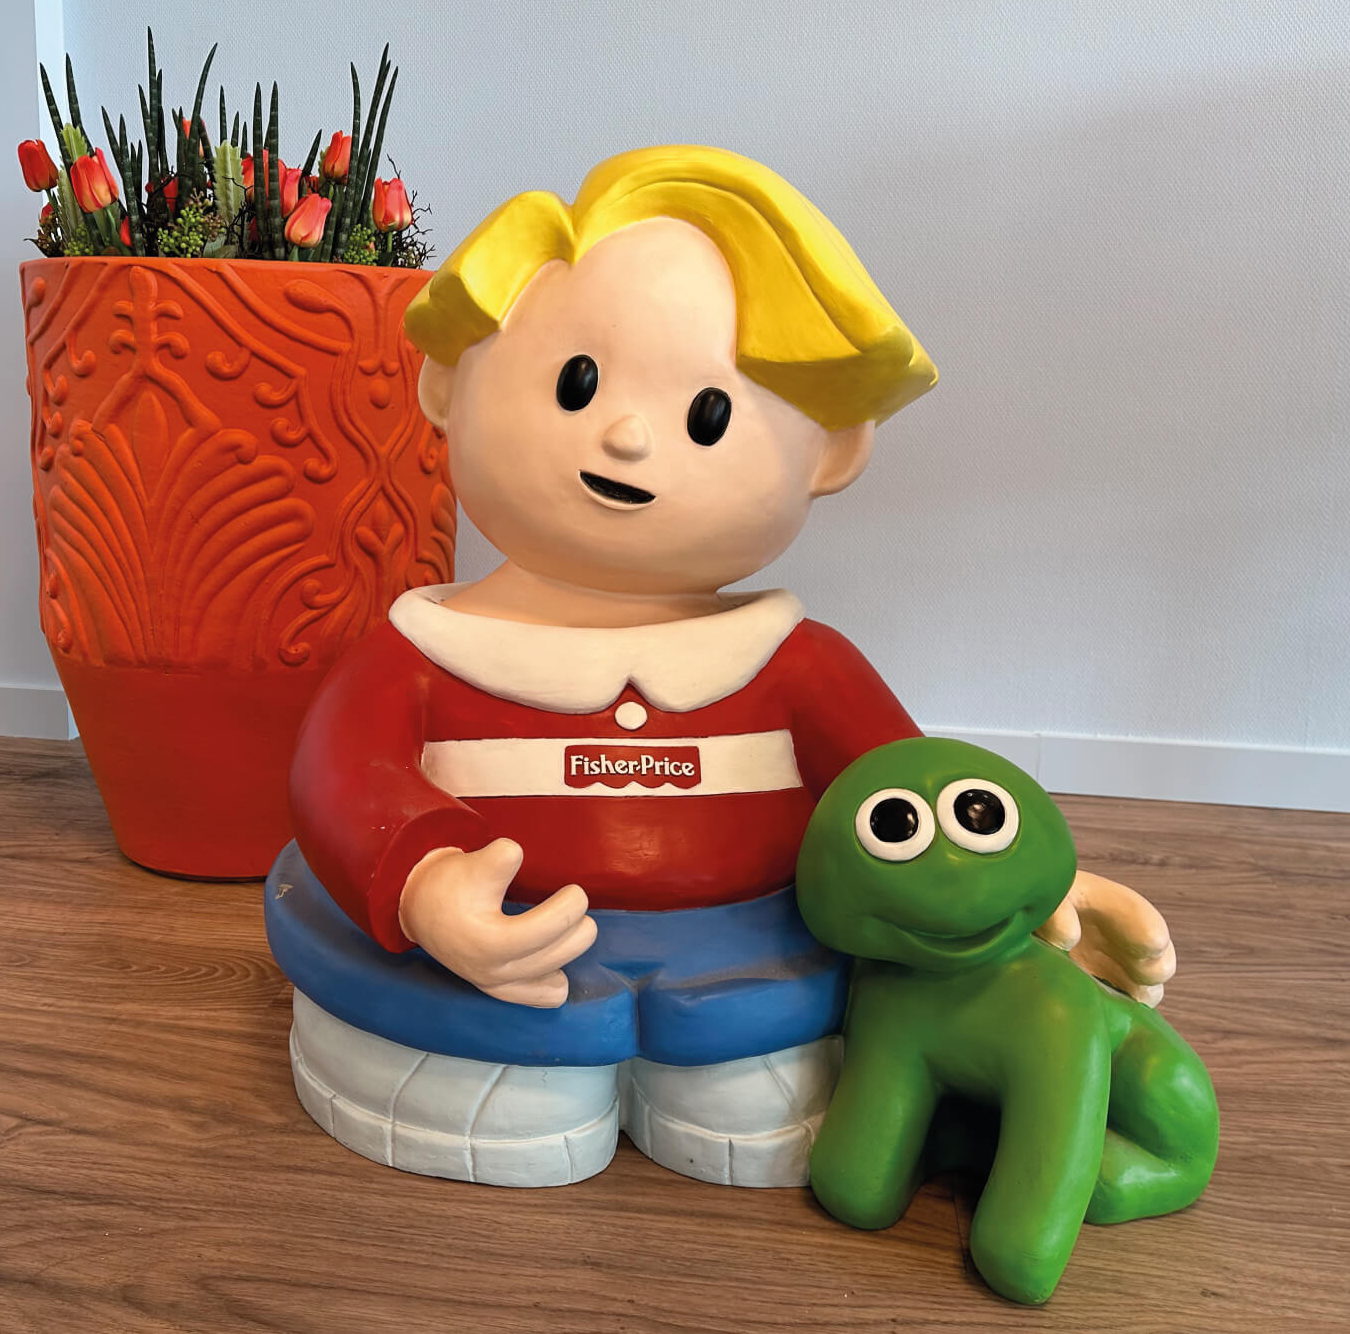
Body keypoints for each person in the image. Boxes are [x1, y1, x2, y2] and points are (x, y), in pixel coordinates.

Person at [269, 146, 1175, 1188]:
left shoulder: (796, 665)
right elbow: (341, 778)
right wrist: (425, 885)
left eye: (706, 416)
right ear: (447, 383)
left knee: (755, 1105)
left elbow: (910, 802)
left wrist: (1027, 891)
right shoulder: (421, 656)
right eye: (577, 383)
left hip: (759, 976)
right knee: (508, 1109)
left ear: (830, 454)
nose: (625, 435)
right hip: (479, 983)